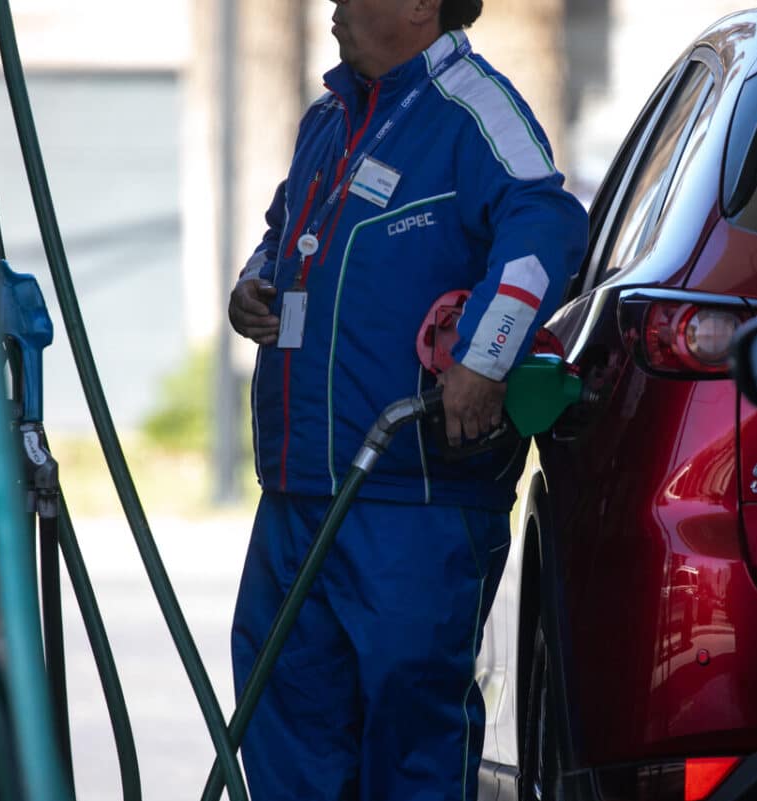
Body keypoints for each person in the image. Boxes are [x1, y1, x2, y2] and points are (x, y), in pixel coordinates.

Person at [226, 0, 588, 798]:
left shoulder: (471, 108)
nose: (335, 8)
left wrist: (486, 357)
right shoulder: (329, 118)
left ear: (421, 5)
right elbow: (287, 226)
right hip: (298, 492)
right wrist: (256, 281)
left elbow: (547, 226)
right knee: (284, 719)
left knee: (410, 732)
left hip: (412, 497)